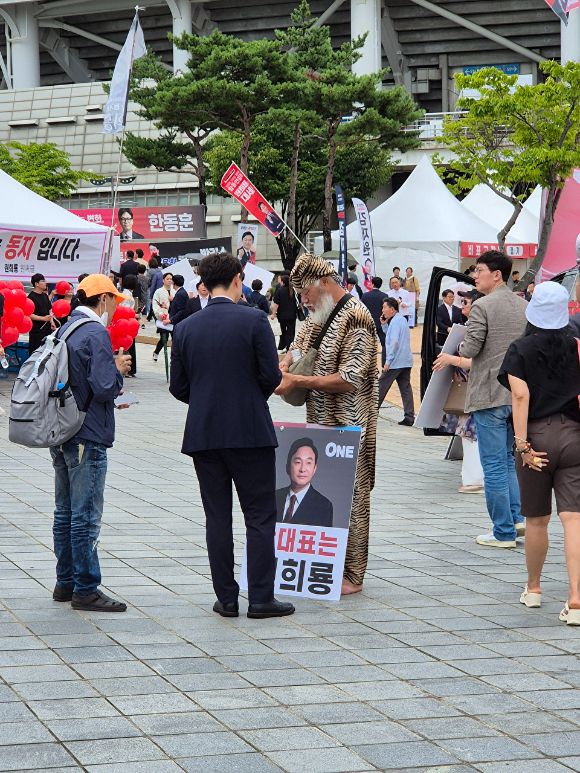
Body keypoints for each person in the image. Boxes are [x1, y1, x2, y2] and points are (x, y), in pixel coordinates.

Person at [170, 251, 294, 620]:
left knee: (217, 517)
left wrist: (207, 399)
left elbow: (178, 387)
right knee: (258, 515)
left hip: (204, 433)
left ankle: (226, 598)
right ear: (239, 278)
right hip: (250, 430)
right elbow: (271, 378)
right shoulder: (255, 320)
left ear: (205, 284)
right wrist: (247, 396)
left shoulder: (186, 327)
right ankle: (260, 598)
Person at [276, 253, 378, 595]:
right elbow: (297, 346)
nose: (303, 300)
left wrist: (298, 382)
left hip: (352, 425)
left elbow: (349, 378)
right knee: (320, 494)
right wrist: (286, 361)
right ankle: (324, 565)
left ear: (324, 282)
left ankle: (354, 574)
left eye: (305, 292)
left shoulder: (358, 317)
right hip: (319, 422)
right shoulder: (316, 316)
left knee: (354, 498)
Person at [498, 282, 580, 626]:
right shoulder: (576, 346)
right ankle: (576, 599)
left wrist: (522, 445)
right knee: (574, 518)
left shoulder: (520, 349)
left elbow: (520, 396)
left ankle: (533, 589)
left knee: (536, 519)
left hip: (536, 437)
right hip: (574, 436)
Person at [51, 274, 131, 612]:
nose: (115, 308)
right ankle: (86, 587)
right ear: (103, 300)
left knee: (65, 510)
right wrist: (118, 370)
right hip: (88, 433)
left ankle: (65, 581)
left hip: (63, 429)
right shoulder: (96, 332)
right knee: (85, 513)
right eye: (114, 300)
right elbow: (103, 386)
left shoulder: (65, 327)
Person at [459, 249, 528, 548]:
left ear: (496, 274)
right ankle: (516, 518)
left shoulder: (482, 306)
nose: (475, 276)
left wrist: (460, 341)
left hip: (489, 392)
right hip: (517, 393)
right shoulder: (524, 305)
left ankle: (502, 531)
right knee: (509, 462)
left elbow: (470, 349)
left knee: (494, 465)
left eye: (479, 271)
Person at [433, 289, 484, 494]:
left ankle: (475, 479)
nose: (462, 305)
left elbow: (477, 361)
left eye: (467, 302)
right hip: (467, 388)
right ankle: (473, 477)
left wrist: (451, 359)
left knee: (471, 432)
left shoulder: (476, 329)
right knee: (469, 432)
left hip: (473, 389)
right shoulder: (468, 327)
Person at [276, 438, 333, 526]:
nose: (302, 469)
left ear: (314, 468)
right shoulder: (273, 497)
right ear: (288, 465)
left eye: (308, 463)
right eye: (298, 462)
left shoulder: (324, 506)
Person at [378, 298, 415, 426]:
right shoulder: (401, 320)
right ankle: (409, 416)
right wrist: (384, 324)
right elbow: (391, 336)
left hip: (396, 361)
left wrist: (388, 361)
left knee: (381, 386)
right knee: (405, 388)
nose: (382, 310)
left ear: (392, 309)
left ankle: (369, 412)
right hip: (406, 360)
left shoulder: (395, 322)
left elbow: (393, 342)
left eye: (384, 307)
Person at [361, 276, 388, 364]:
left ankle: (366, 364)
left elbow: (361, 310)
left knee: (367, 345)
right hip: (380, 323)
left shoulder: (365, 295)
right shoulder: (384, 296)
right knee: (384, 344)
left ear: (372, 284)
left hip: (368, 324)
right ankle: (384, 364)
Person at [28, 273, 55, 355]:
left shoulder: (45, 295)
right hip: (36, 330)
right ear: (36, 284)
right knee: (36, 353)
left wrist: (52, 322)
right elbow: (29, 314)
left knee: (46, 353)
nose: (45, 283)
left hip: (47, 329)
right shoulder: (30, 297)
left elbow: (49, 309)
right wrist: (43, 318)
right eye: (42, 281)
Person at [271, 274, 298, 352]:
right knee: (291, 331)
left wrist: (273, 314)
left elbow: (276, 304)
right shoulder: (293, 290)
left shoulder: (280, 290)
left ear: (283, 282)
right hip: (292, 315)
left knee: (283, 331)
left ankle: (282, 345)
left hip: (282, 316)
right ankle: (289, 346)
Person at [152, 272, 174, 362]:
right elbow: (155, 305)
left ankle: (172, 357)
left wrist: (172, 300)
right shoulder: (158, 291)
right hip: (163, 318)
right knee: (164, 338)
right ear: (163, 280)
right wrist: (160, 314)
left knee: (175, 338)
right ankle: (156, 352)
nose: (169, 280)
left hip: (172, 318)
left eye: (171, 279)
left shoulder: (174, 291)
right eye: (167, 279)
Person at [119, 275, 138, 377]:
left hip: (124, 323)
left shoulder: (125, 294)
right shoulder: (128, 296)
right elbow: (126, 311)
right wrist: (135, 315)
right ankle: (127, 369)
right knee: (128, 346)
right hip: (127, 323)